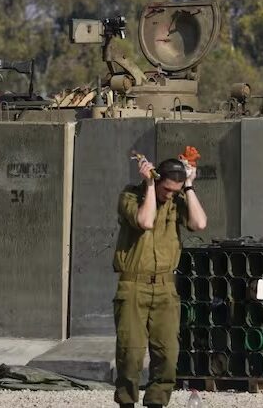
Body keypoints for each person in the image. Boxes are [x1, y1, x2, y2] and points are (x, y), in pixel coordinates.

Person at [113, 157, 207, 407]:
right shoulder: (130, 196)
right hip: (134, 285)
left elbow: (199, 223)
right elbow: (145, 221)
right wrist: (149, 186)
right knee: (130, 353)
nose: (170, 195)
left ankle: (156, 402)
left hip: (166, 287)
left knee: (167, 354)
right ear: (156, 180)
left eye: (175, 190)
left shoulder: (177, 201)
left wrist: (189, 185)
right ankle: (126, 402)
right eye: (166, 189)